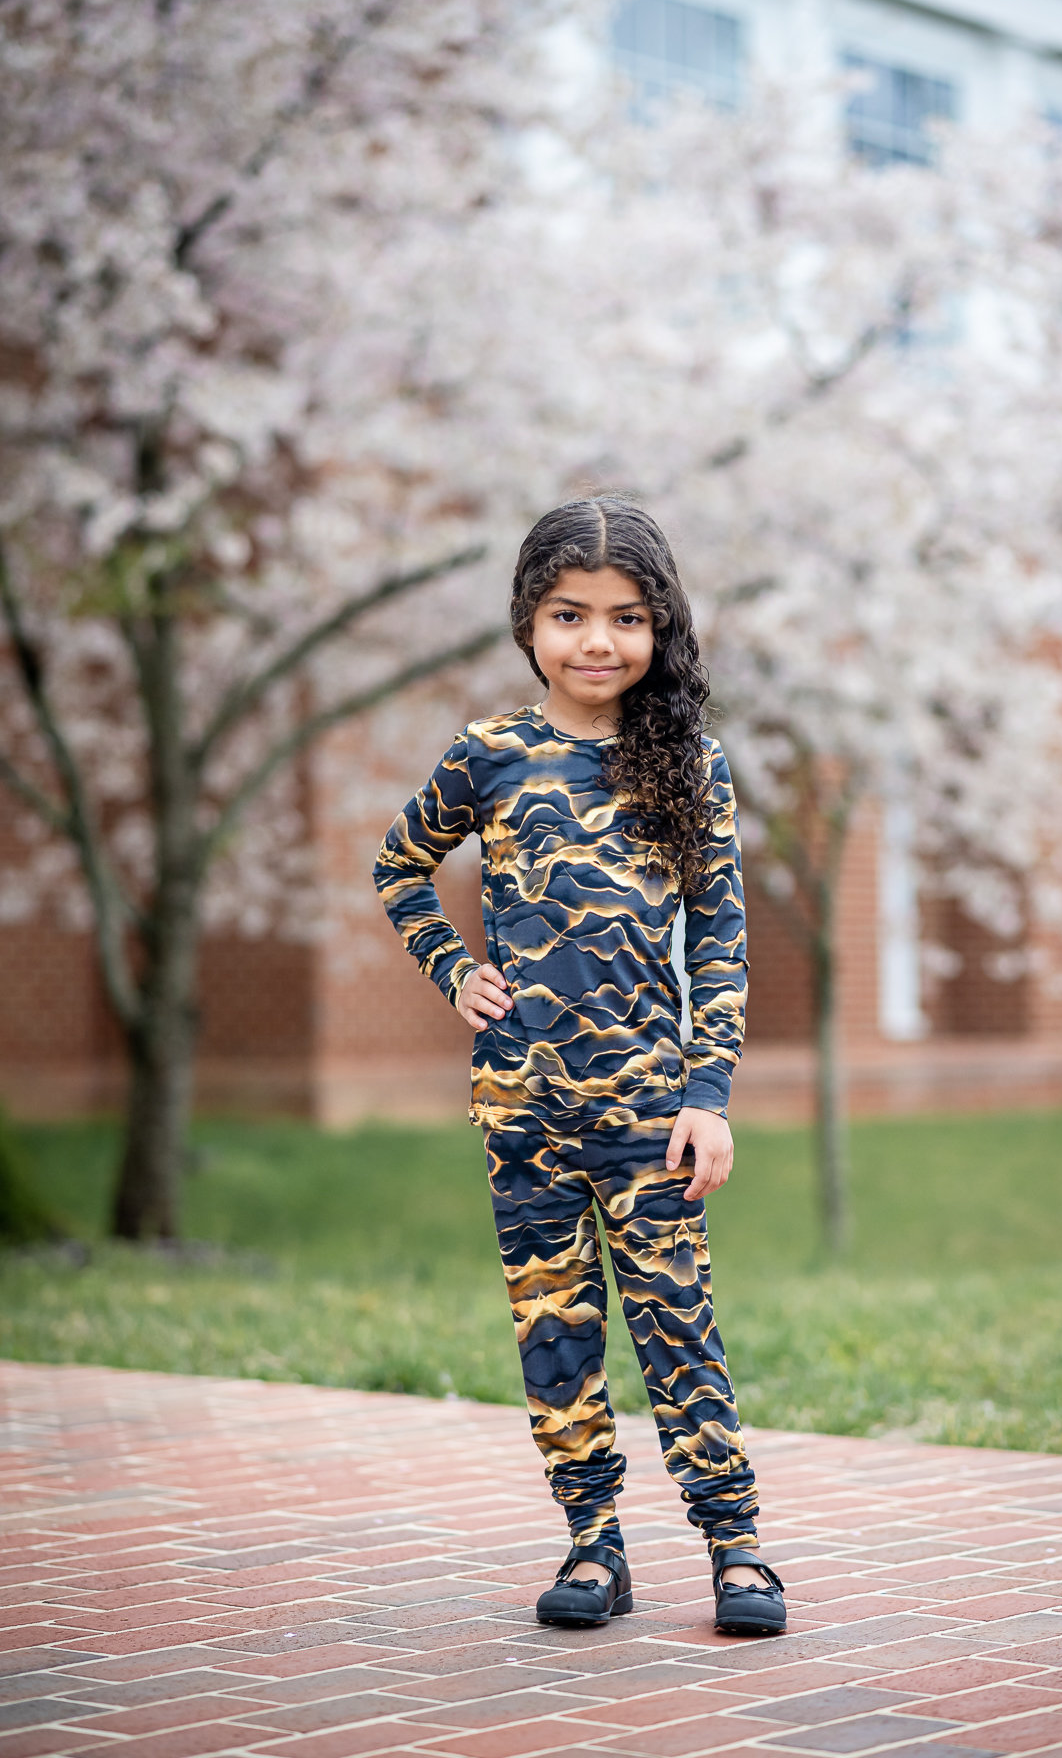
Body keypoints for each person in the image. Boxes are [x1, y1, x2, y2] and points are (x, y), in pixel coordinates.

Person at [373, 497, 785, 1636]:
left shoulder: (690, 764)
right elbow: (399, 866)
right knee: (555, 1332)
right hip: (524, 1110)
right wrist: (454, 969)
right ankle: (593, 1543)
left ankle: (737, 1547)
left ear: (661, 628)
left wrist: (709, 1096)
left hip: (651, 1111)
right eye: (569, 615)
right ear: (528, 621)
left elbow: (720, 936)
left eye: (626, 618)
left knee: (677, 1327)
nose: (597, 640)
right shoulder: (490, 755)